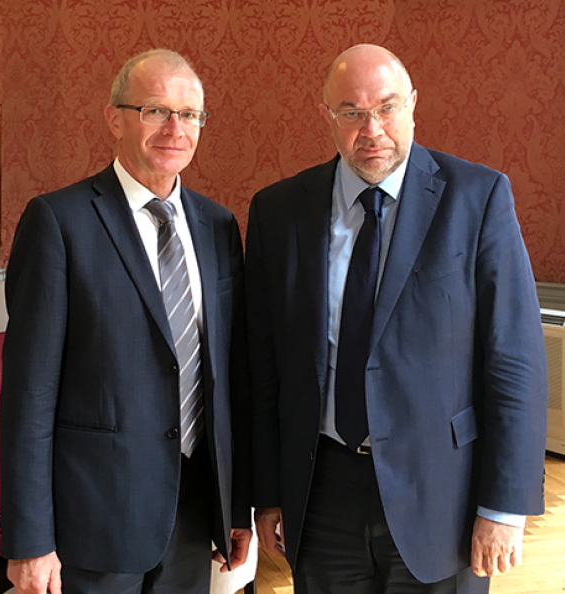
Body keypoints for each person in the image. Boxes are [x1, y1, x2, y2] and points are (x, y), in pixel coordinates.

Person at [245, 43, 547, 594]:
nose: (372, 129)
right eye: (352, 112)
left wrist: (503, 507)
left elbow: (514, 359)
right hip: (322, 491)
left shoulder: (477, 197)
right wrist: (267, 494)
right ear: (327, 115)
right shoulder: (279, 211)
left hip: (443, 493)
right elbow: (264, 367)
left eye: (386, 107)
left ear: (412, 104)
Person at [0, 49, 252, 594]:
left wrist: (235, 506)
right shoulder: (58, 221)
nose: (175, 129)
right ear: (114, 119)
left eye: (190, 114)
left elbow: (230, 377)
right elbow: (29, 394)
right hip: (94, 520)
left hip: (193, 513)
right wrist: (29, 539)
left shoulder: (218, 226)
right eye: (155, 110)